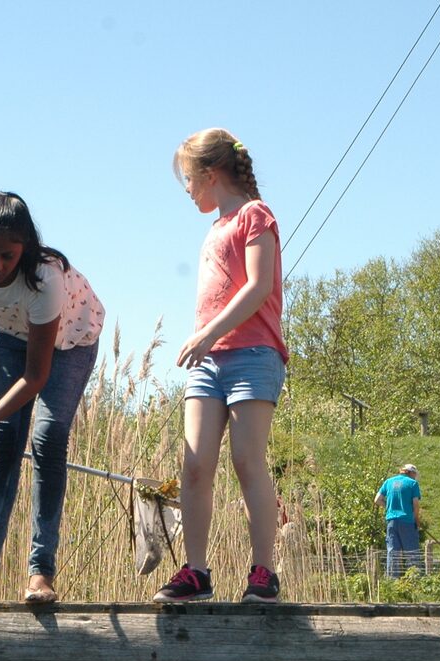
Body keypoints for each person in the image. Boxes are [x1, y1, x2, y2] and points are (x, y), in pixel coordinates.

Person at [0, 191, 105, 605]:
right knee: (5, 441)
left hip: (70, 342)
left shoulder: (44, 280)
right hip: (10, 335)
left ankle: (40, 573)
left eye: (6, 255)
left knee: (47, 438)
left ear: (25, 246)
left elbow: (36, 376)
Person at [154, 129, 288, 604]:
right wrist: (207, 342)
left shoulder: (256, 216)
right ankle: (196, 570)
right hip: (208, 363)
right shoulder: (213, 228)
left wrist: (208, 332)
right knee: (195, 465)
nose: (187, 191)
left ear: (211, 175)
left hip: (253, 354)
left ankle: (263, 571)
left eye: (189, 180)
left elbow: (257, 287)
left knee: (247, 460)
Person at [375, 463, 422, 577]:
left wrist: (388, 506)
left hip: (391, 522)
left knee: (393, 552)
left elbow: (377, 500)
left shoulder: (389, 482)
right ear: (411, 473)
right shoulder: (412, 484)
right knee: (411, 552)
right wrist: (417, 520)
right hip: (407, 521)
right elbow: (416, 505)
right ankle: (414, 579)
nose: (415, 477)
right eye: (415, 475)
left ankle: (392, 581)